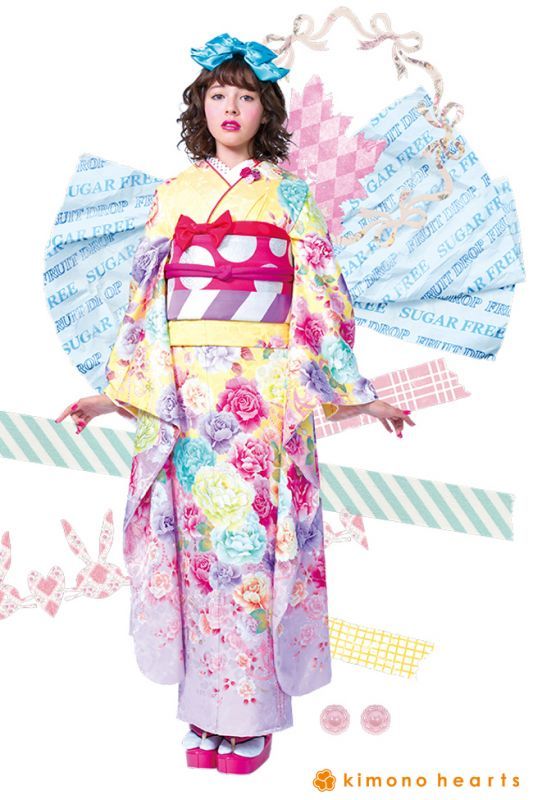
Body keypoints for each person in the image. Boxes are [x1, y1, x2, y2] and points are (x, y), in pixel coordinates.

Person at [55, 32, 415, 775]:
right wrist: (113, 395)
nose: (230, 107)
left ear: (264, 110)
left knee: (251, 548)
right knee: (196, 552)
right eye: (218, 94)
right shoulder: (173, 193)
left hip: (263, 396)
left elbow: (322, 297)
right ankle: (202, 710)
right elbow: (143, 306)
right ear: (200, 107)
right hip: (188, 398)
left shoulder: (289, 195)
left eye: (245, 95)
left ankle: (249, 713)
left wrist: (359, 394)